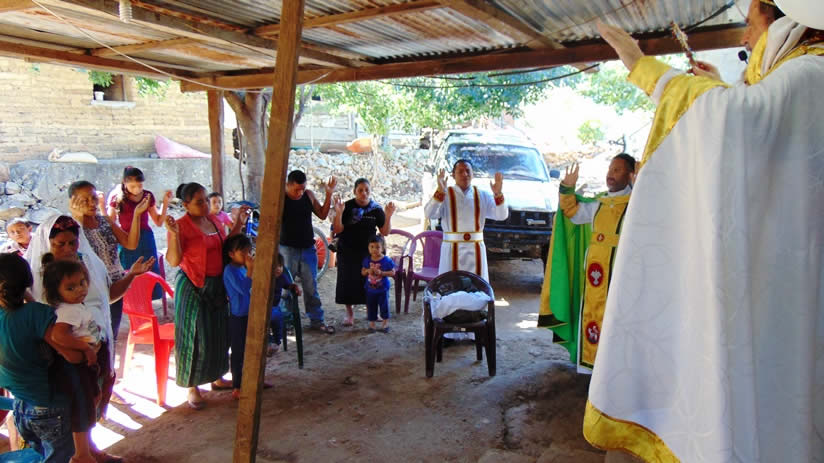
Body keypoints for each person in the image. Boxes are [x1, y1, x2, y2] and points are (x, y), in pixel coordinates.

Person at [583, 5, 824, 461]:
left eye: (750, 25)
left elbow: (734, 121)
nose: (746, 40)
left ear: (784, 20)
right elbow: (755, 137)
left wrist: (642, 66)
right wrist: (724, 87)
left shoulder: (811, 72)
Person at [25, 215, 153, 462]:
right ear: (47, 243)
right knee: (77, 401)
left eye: (72, 242)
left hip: (96, 342)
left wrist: (131, 275)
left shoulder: (89, 264)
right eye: (60, 244)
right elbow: (44, 323)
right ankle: (80, 454)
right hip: (68, 353)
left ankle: (89, 447)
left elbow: (109, 296)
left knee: (93, 397)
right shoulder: (39, 275)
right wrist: (77, 350)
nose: (68, 249)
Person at [539, 155, 635, 374]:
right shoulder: (599, 204)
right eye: (610, 169)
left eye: (617, 170)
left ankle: (617, 372)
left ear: (630, 175)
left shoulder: (636, 207)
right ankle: (593, 368)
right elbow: (573, 213)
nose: (610, 174)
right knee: (593, 319)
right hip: (594, 280)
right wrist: (567, 188)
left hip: (621, 280)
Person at [165, 182, 248, 409]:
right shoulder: (180, 226)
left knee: (218, 333)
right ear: (185, 205)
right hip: (193, 286)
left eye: (205, 200)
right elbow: (173, 260)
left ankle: (217, 377)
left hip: (217, 285)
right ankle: (193, 388)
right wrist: (173, 235)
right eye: (199, 202)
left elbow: (226, 247)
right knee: (194, 336)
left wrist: (239, 224)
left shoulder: (213, 221)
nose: (204, 205)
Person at [0, 253, 75, 462]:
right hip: (48, 406)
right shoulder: (38, 313)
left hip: (21, 408)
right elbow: (67, 352)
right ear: (27, 283)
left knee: (43, 455)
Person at [40, 254, 108, 463]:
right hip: (74, 368)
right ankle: (81, 455)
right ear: (56, 292)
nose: (80, 289)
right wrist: (86, 348)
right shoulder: (67, 311)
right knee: (82, 406)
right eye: (71, 288)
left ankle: (88, 448)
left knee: (90, 401)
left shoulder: (75, 306)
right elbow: (58, 335)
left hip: (84, 365)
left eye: (82, 283)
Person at [68, 180, 146, 340]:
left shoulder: (104, 220)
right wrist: (77, 218)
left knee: (111, 335)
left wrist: (137, 215)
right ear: (73, 202)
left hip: (117, 286)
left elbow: (130, 243)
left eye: (93, 198)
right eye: (84, 200)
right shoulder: (72, 228)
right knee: (94, 337)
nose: (92, 203)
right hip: (92, 291)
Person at [423, 159, 508, 282]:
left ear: (473, 174)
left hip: (476, 249)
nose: (465, 174)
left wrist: (498, 194)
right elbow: (429, 214)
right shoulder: (445, 195)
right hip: (451, 250)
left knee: (476, 286)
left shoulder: (483, 195)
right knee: (451, 286)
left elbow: (501, 215)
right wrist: (440, 191)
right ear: (453, 175)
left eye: (468, 171)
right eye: (460, 171)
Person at [332, 178, 395, 327]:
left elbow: (385, 232)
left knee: (370, 281)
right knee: (347, 282)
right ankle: (350, 314)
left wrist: (388, 215)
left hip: (368, 253)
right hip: (347, 251)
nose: (364, 193)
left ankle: (371, 311)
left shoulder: (375, 209)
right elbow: (337, 230)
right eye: (360, 190)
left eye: (367, 190)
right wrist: (339, 213)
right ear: (354, 191)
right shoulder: (346, 206)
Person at [281, 170, 336, 334]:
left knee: (311, 287)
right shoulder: (280, 197)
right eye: (296, 189)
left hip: (307, 248)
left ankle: (316, 320)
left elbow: (323, 214)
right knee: (286, 287)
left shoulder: (308, 195)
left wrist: (328, 194)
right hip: (286, 249)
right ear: (288, 185)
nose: (300, 192)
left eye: (302, 189)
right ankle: (287, 322)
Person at [222, 234, 274, 400]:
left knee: (255, 348)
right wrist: (251, 269)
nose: (247, 255)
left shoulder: (244, 267)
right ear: (231, 254)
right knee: (239, 352)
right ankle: (237, 386)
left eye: (249, 251)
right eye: (243, 252)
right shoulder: (230, 271)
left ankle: (255, 380)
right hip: (238, 317)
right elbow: (244, 288)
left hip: (251, 313)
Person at [107, 166, 171, 299]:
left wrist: (165, 203)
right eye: (132, 186)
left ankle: (149, 301)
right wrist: (102, 206)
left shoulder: (148, 196)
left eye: (140, 185)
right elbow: (110, 223)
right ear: (124, 183)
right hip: (126, 239)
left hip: (146, 239)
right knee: (129, 271)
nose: (137, 189)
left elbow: (158, 221)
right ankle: (131, 301)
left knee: (150, 268)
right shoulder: (118, 198)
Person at [267, 253, 301, 356]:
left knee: (278, 320)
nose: (278, 269)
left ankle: (276, 342)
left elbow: (288, 285)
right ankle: (269, 343)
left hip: (275, 307)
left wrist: (294, 287)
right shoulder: (264, 276)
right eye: (275, 266)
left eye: (280, 266)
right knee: (264, 323)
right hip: (262, 308)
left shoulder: (282, 277)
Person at [361, 234, 395, 333]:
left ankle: (385, 323)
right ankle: (372, 324)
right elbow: (362, 272)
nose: (374, 249)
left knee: (384, 306)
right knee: (371, 306)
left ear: (382, 248)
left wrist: (382, 273)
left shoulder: (386, 260)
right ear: (368, 247)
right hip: (370, 289)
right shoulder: (367, 260)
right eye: (371, 247)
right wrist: (368, 271)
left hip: (382, 289)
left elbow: (393, 272)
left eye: (377, 247)